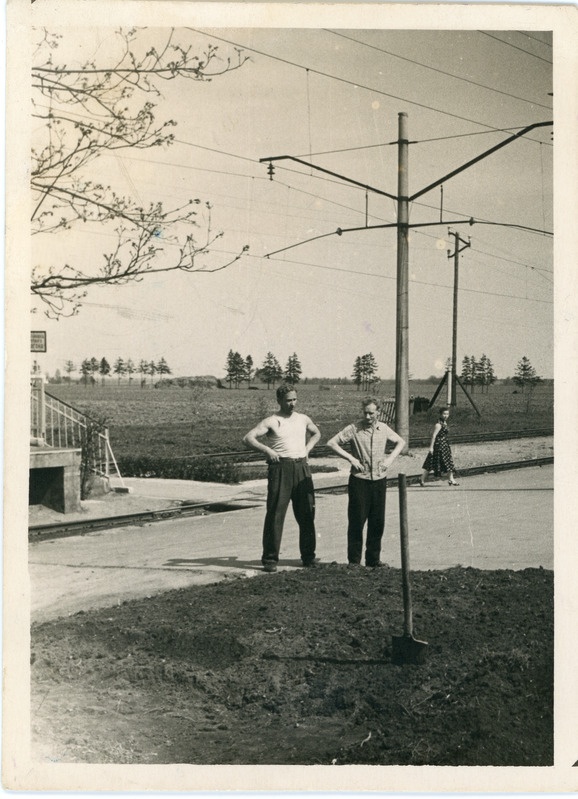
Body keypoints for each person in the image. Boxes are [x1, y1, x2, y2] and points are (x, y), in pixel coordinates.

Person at [243, 384, 321, 573]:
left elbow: (317, 433)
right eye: (288, 400)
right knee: (276, 514)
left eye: (294, 399)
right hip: (281, 469)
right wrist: (268, 450)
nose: (292, 403)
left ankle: (308, 557)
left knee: (307, 514)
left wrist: (307, 449)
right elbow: (248, 438)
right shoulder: (272, 421)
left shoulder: (303, 419)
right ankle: (270, 560)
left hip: (301, 467)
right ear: (279, 401)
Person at [326, 397, 405, 568]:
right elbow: (331, 443)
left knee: (377, 522)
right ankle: (354, 562)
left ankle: (373, 560)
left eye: (371, 413)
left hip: (379, 481)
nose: (368, 416)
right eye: (365, 413)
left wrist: (389, 460)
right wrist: (351, 458)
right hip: (359, 482)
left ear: (378, 412)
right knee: (356, 522)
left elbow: (401, 442)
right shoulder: (354, 429)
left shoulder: (383, 428)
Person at [420, 406, 459, 486]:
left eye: (447, 414)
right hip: (438, 446)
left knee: (448, 462)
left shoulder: (445, 423)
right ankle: (422, 479)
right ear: (440, 414)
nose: (446, 415)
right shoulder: (438, 424)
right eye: (444, 414)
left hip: (445, 445)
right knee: (432, 462)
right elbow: (434, 436)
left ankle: (451, 479)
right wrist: (431, 448)